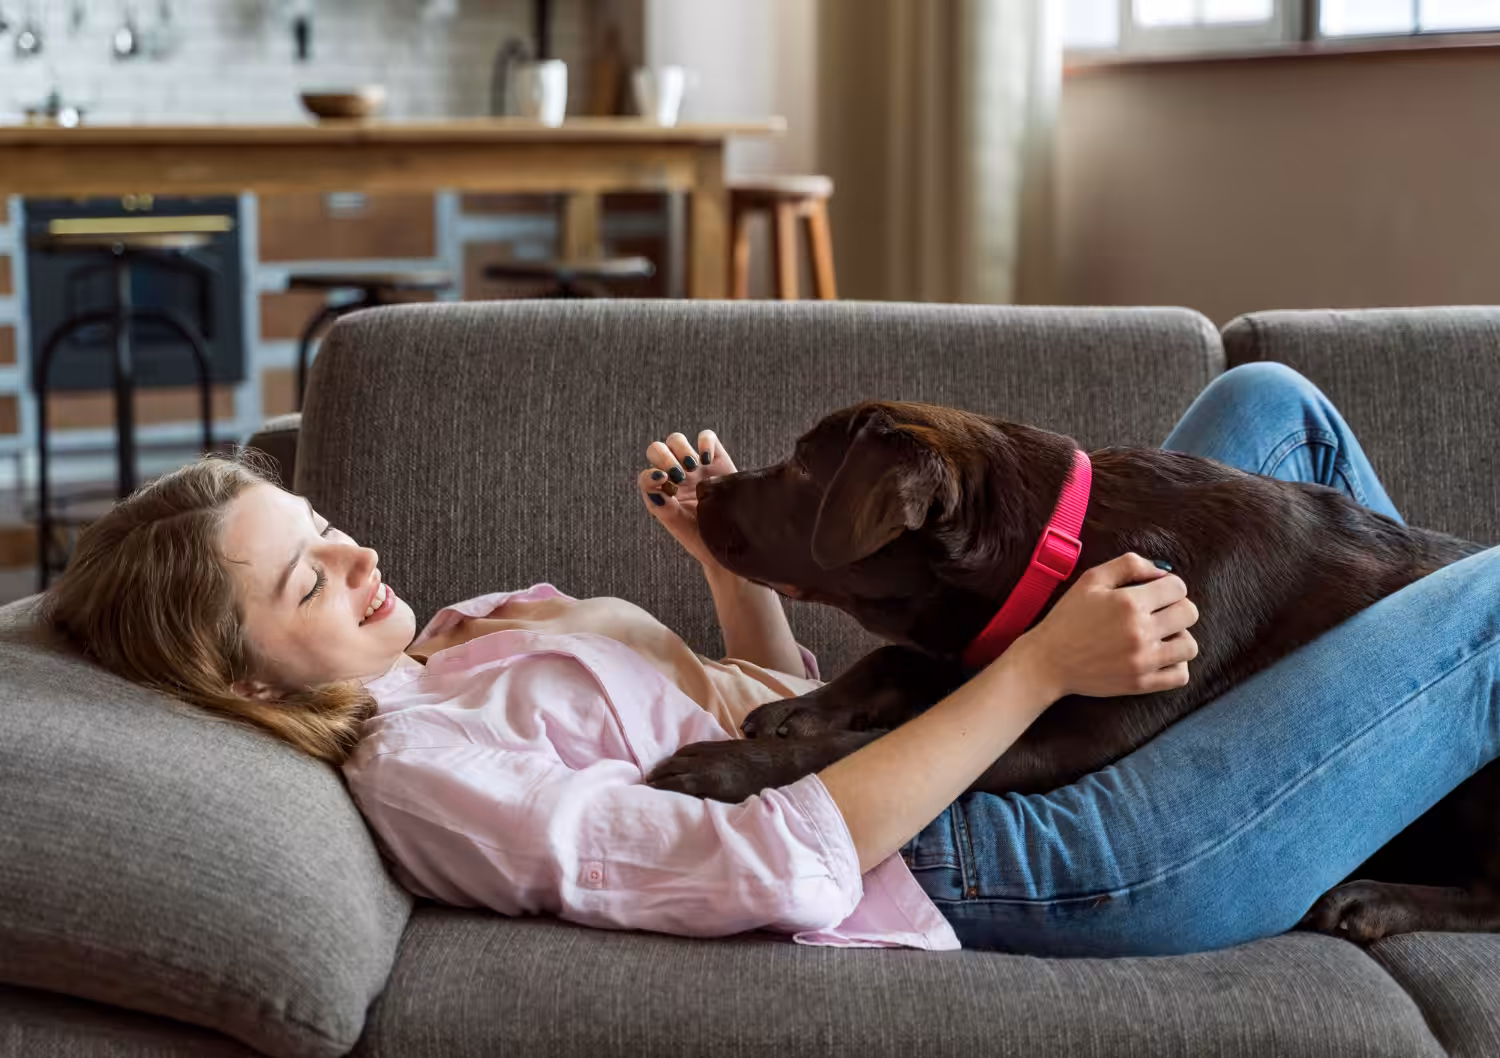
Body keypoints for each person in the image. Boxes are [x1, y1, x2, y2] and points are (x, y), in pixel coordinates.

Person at [45, 363, 1500, 956]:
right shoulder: (423, 763)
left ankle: (1435, 780)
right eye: (310, 577)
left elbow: (768, 709)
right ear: (244, 683)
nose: (362, 556)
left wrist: (725, 567)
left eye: (326, 526)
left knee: (1272, 403)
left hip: (943, 743)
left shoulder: (459, 635)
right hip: (1036, 850)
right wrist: (1046, 667)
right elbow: (765, 853)